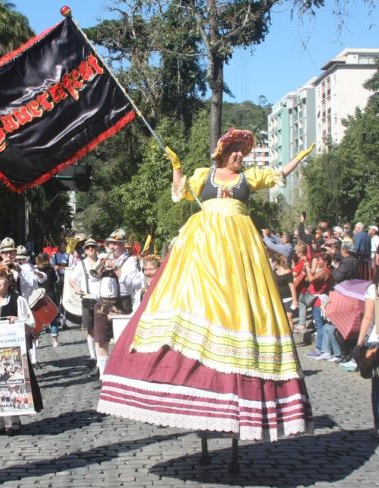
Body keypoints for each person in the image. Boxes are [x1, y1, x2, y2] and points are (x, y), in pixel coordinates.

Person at [97, 130, 315, 441]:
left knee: (242, 302)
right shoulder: (205, 176)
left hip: (240, 248)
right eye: (236, 151)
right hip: (203, 244)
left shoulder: (248, 178)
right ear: (222, 152)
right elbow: (180, 191)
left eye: (243, 152)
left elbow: (275, 174)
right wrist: (176, 167)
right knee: (186, 291)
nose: (240, 156)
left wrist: (298, 159)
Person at [0, 264, 42, 435]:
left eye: (0, 278)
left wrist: (18, 320)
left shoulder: (17, 299)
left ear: (9, 280)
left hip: (11, 351)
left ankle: (15, 421)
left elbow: (31, 323)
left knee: (10, 384)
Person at [92, 229, 142, 386]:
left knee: (124, 340)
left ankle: (124, 374)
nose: (112, 246)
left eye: (115, 244)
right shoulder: (102, 258)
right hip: (103, 303)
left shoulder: (130, 261)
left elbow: (135, 284)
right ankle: (103, 376)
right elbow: (93, 280)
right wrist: (101, 268)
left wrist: (115, 268)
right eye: (110, 243)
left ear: (122, 245)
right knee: (101, 340)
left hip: (121, 303)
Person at [354, 272, 379, 439]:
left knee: (377, 386)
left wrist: (359, 343)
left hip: (376, 341)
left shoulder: (374, 288)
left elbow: (368, 317)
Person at [69, 237, 101, 368]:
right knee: (90, 328)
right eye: (88, 247)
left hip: (101, 299)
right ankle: (93, 356)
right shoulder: (81, 264)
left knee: (101, 328)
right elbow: (72, 280)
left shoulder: (103, 261)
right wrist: (76, 288)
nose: (91, 249)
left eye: (93, 247)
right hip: (87, 299)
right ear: (85, 250)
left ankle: (101, 356)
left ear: (97, 249)